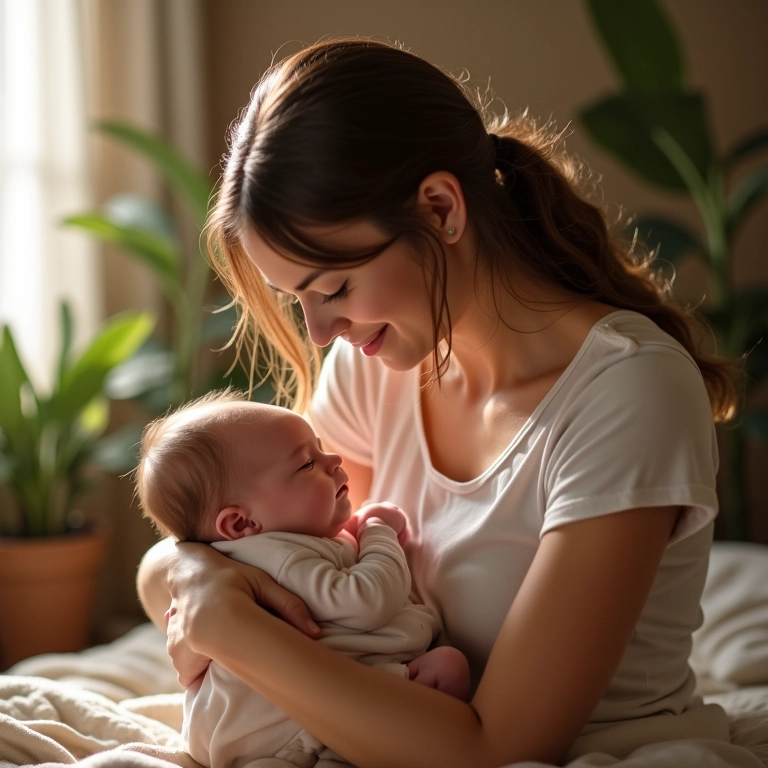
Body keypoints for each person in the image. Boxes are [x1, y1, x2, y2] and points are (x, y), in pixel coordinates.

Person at [137, 38, 740, 767]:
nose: (321, 332)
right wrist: (198, 573)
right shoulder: (383, 360)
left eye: (333, 289)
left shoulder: (626, 392)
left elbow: (497, 750)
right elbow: (220, 549)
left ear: (440, 207)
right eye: (297, 299)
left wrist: (230, 628)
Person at [135, 389, 470, 767]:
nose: (334, 459)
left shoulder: (257, 550)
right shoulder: (284, 554)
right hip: (285, 728)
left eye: (321, 447)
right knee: (449, 667)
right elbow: (366, 601)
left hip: (252, 724)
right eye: (307, 464)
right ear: (242, 523)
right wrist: (378, 531)